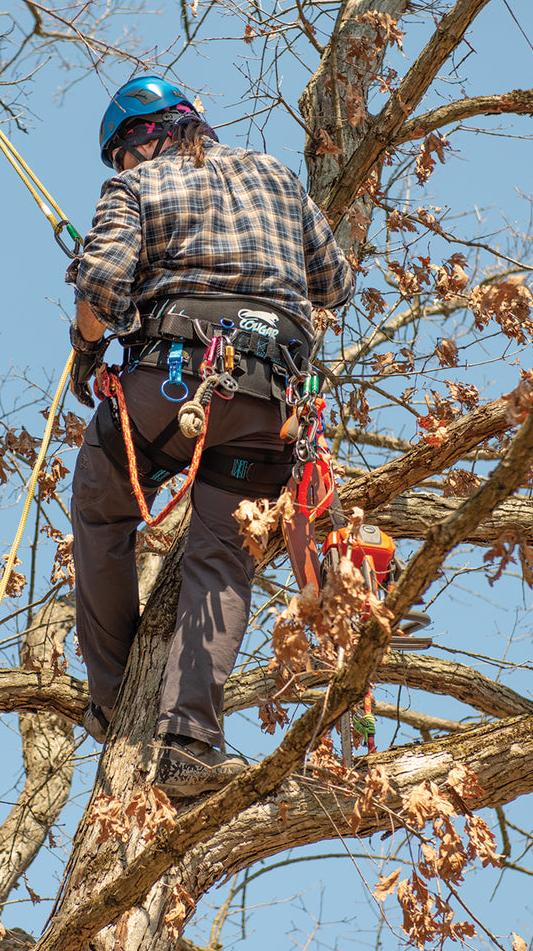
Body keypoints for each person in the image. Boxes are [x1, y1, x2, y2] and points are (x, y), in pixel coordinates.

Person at [66, 74, 355, 797]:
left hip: (174, 382)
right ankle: (190, 743)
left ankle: (113, 696)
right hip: (268, 403)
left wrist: (87, 345)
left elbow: (101, 285)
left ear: (143, 139)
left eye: (121, 154)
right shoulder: (278, 178)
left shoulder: (136, 187)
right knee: (223, 555)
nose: (122, 167)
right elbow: (336, 283)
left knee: (101, 504)